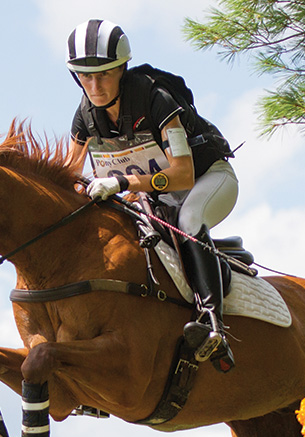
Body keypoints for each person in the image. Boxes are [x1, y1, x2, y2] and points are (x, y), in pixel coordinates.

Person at [65, 19, 239, 372]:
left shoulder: (155, 99)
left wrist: (123, 184)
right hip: (156, 199)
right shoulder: (84, 117)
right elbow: (69, 176)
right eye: (85, 77)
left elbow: (182, 174)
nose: (94, 86)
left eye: (104, 75)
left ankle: (212, 324)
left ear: (122, 69)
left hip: (207, 180)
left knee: (189, 219)